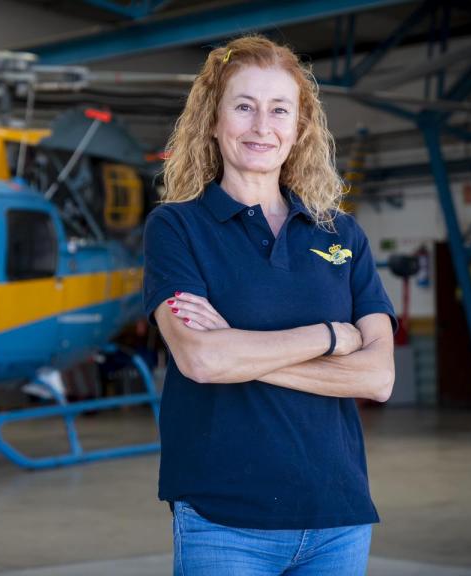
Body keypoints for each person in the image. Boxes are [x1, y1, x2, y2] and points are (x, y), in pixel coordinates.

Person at [142, 35, 398, 575]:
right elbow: (201, 361)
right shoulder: (177, 227)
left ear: (299, 126)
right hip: (224, 519)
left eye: (279, 109)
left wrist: (241, 352)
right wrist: (332, 337)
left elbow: (377, 378)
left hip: (338, 516)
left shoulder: (342, 234)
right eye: (244, 106)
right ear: (213, 120)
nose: (263, 126)